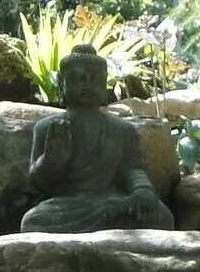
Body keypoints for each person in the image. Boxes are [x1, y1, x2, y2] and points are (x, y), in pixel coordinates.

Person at [21, 44, 171, 233]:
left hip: (112, 201)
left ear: (104, 84)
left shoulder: (122, 129)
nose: (87, 84)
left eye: (95, 79)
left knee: (162, 215)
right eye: (79, 78)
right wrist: (51, 160)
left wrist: (143, 190)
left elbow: (132, 169)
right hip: (68, 204)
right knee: (32, 220)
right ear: (61, 83)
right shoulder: (47, 127)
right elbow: (36, 185)